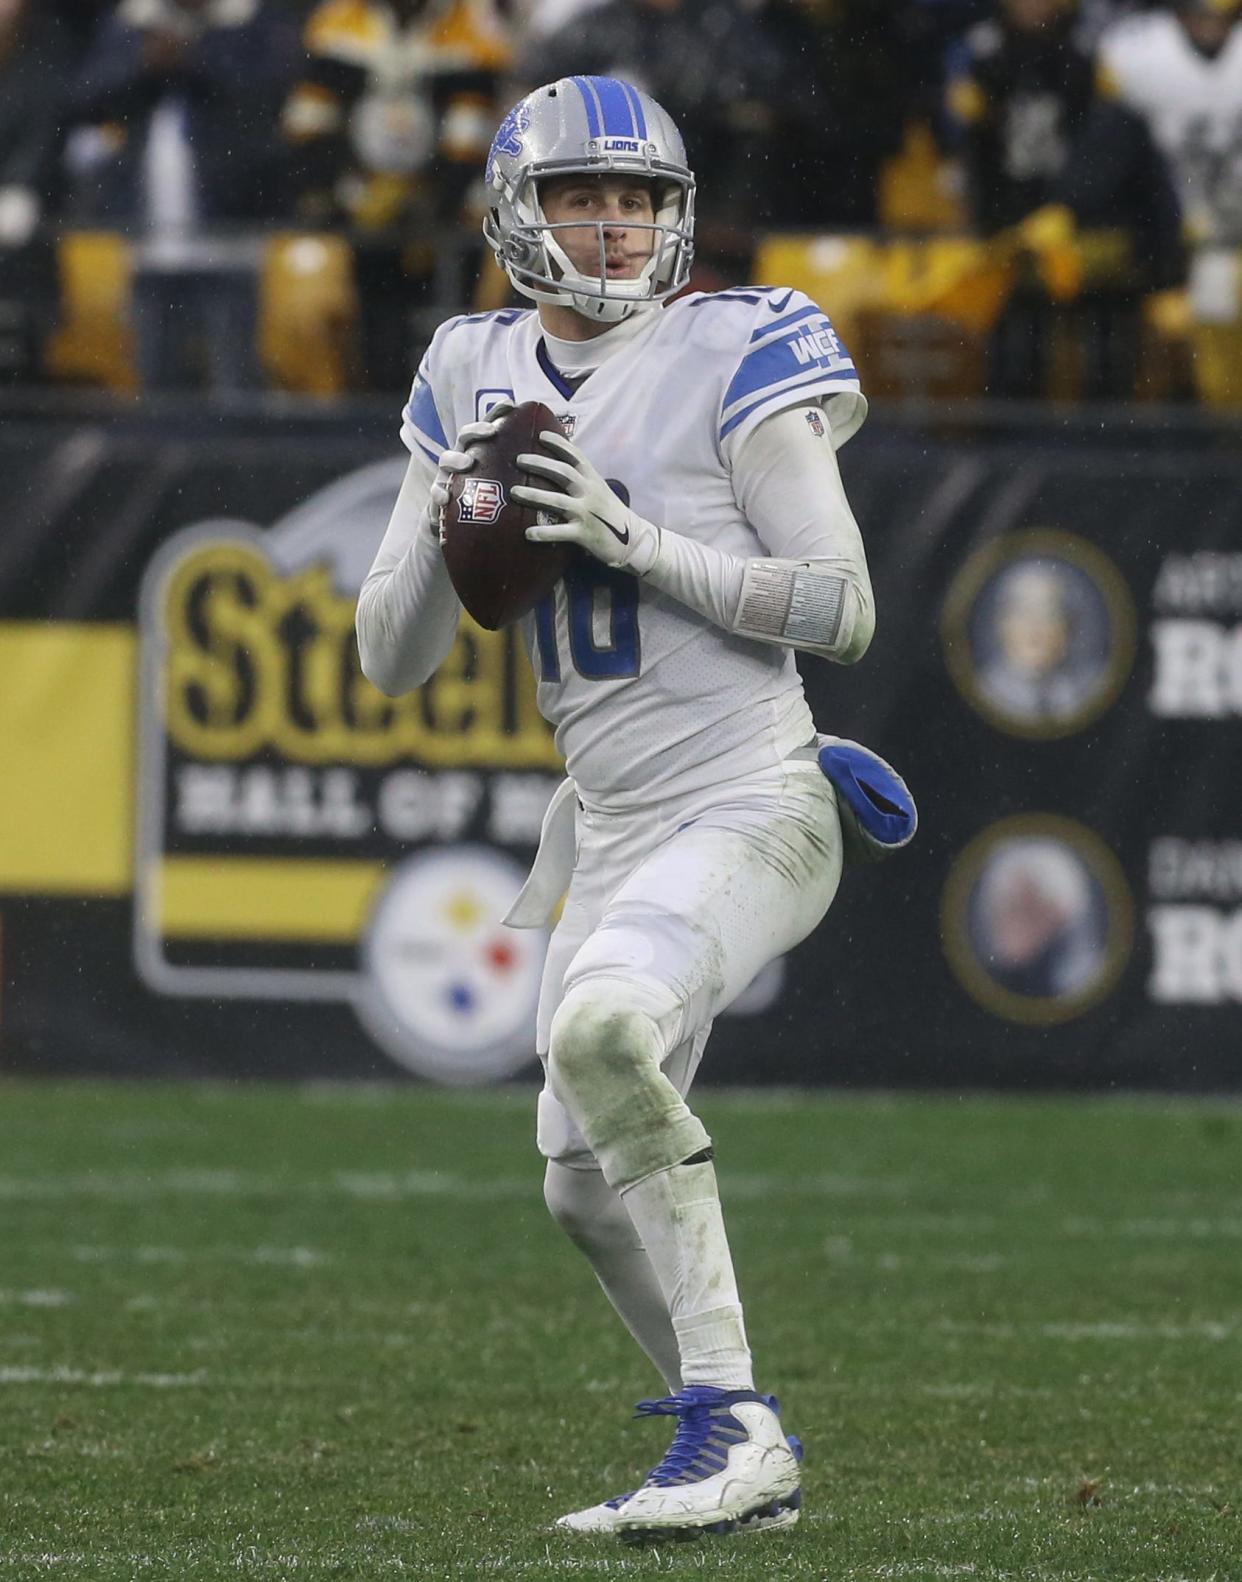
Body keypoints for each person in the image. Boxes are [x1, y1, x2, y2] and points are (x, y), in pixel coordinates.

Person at [355, 75, 914, 1542]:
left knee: (600, 1032)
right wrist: (449, 497)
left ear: (676, 215)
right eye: (580, 198)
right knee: (576, 1183)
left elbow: (841, 606)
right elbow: (391, 657)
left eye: (640, 200)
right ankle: (747, 1450)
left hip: (752, 798)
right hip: (607, 825)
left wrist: (631, 537)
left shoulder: (736, 341)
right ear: (513, 212)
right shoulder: (471, 361)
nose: (613, 228)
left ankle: (726, 1433)